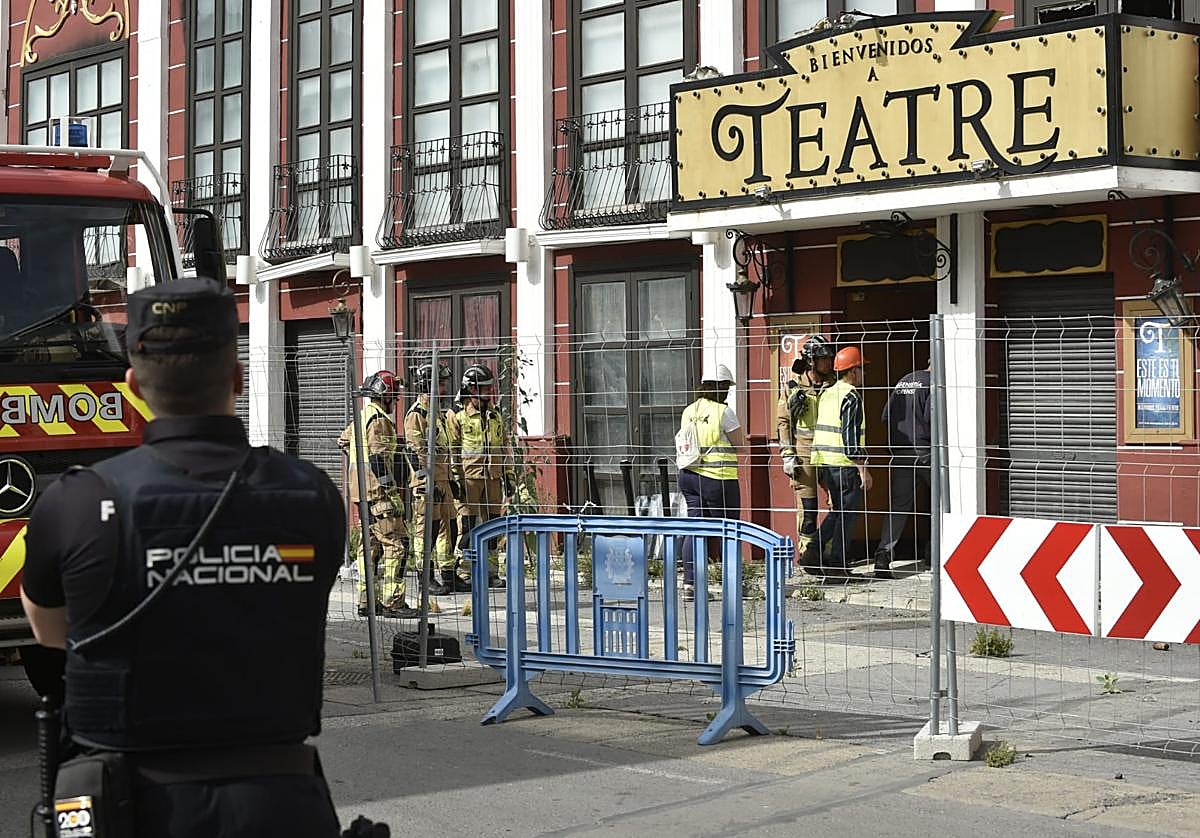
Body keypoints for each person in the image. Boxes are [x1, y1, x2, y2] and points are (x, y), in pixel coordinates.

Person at [19, 277, 343, 836]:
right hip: (280, 803)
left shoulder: (75, 503)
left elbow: (52, 633)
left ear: (132, 385)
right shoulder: (311, 495)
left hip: (129, 806)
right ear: (237, 377)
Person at [338, 369, 418, 619]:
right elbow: (378, 460)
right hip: (379, 493)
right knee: (397, 544)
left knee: (369, 547)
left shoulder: (362, 416)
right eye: (394, 398)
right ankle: (393, 601)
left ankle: (367, 601)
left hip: (360, 493)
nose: (396, 402)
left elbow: (343, 441)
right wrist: (392, 493)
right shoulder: (379, 421)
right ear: (386, 397)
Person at [677, 364, 743, 600]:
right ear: (722, 388)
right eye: (727, 388)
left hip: (689, 476)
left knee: (695, 528)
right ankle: (733, 585)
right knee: (729, 530)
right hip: (718, 479)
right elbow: (740, 444)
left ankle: (690, 585)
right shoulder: (723, 412)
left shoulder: (689, 410)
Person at [810, 346, 872, 580]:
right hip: (844, 464)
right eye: (862, 368)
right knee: (847, 515)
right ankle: (837, 565)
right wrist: (863, 469)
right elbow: (850, 436)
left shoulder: (828, 393)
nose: (864, 373)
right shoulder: (851, 396)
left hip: (826, 462)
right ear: (853, 371)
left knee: (838, 512)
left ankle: (813, 552)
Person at [776, 335, 836, 572]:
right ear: (811, 361)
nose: (829, 362)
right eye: (824, 358)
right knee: (808, 508)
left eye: (830, 358)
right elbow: (783, 423)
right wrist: (787, 454)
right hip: (804, 453)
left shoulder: (836, 385)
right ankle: (808, 555)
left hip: (831, 453)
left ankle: (828, 553)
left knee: (838, 504)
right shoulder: (792, 388)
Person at [404, 362, 464, 595]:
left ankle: (448, 574)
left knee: (449, 527)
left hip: (443, 479)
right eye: (440, 384)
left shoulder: (437, 413)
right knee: (426, 531)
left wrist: (452, 479)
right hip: (427, 484)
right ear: (427, 385)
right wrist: (427, 482)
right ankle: (425, 578)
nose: (445, 388)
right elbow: (414, 452)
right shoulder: (417, 415)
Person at [449, 363, 509, 588]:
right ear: (472, 389)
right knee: (467, 526)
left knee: (493, 525)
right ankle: (465, 571)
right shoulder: (457, 416)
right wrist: (456, 479)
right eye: (484, 388)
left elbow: (504, 447)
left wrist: (508, 477)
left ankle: (491, 573)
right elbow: (453, 451)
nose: (489, 393)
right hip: (469, 479)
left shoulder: (495, 415)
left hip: (493, 477)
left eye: (490, 388)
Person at [874, 362, 932, 578]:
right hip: (926, 451)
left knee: (898, 505)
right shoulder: (932, 383)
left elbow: (885, 416)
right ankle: (935, 553)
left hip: (900, 451)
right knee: (941, 502)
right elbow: (932, 419)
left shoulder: (904, 380)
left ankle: (883, 554)